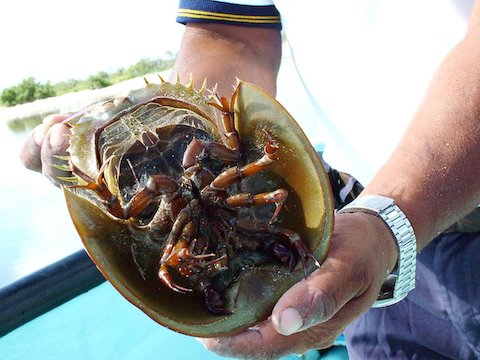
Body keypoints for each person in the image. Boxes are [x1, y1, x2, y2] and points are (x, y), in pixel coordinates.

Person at [20, 0, 480, 358]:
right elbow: (231, 34)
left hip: (396, 222)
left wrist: (392, 216)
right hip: (356, 236)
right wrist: (164, 136)